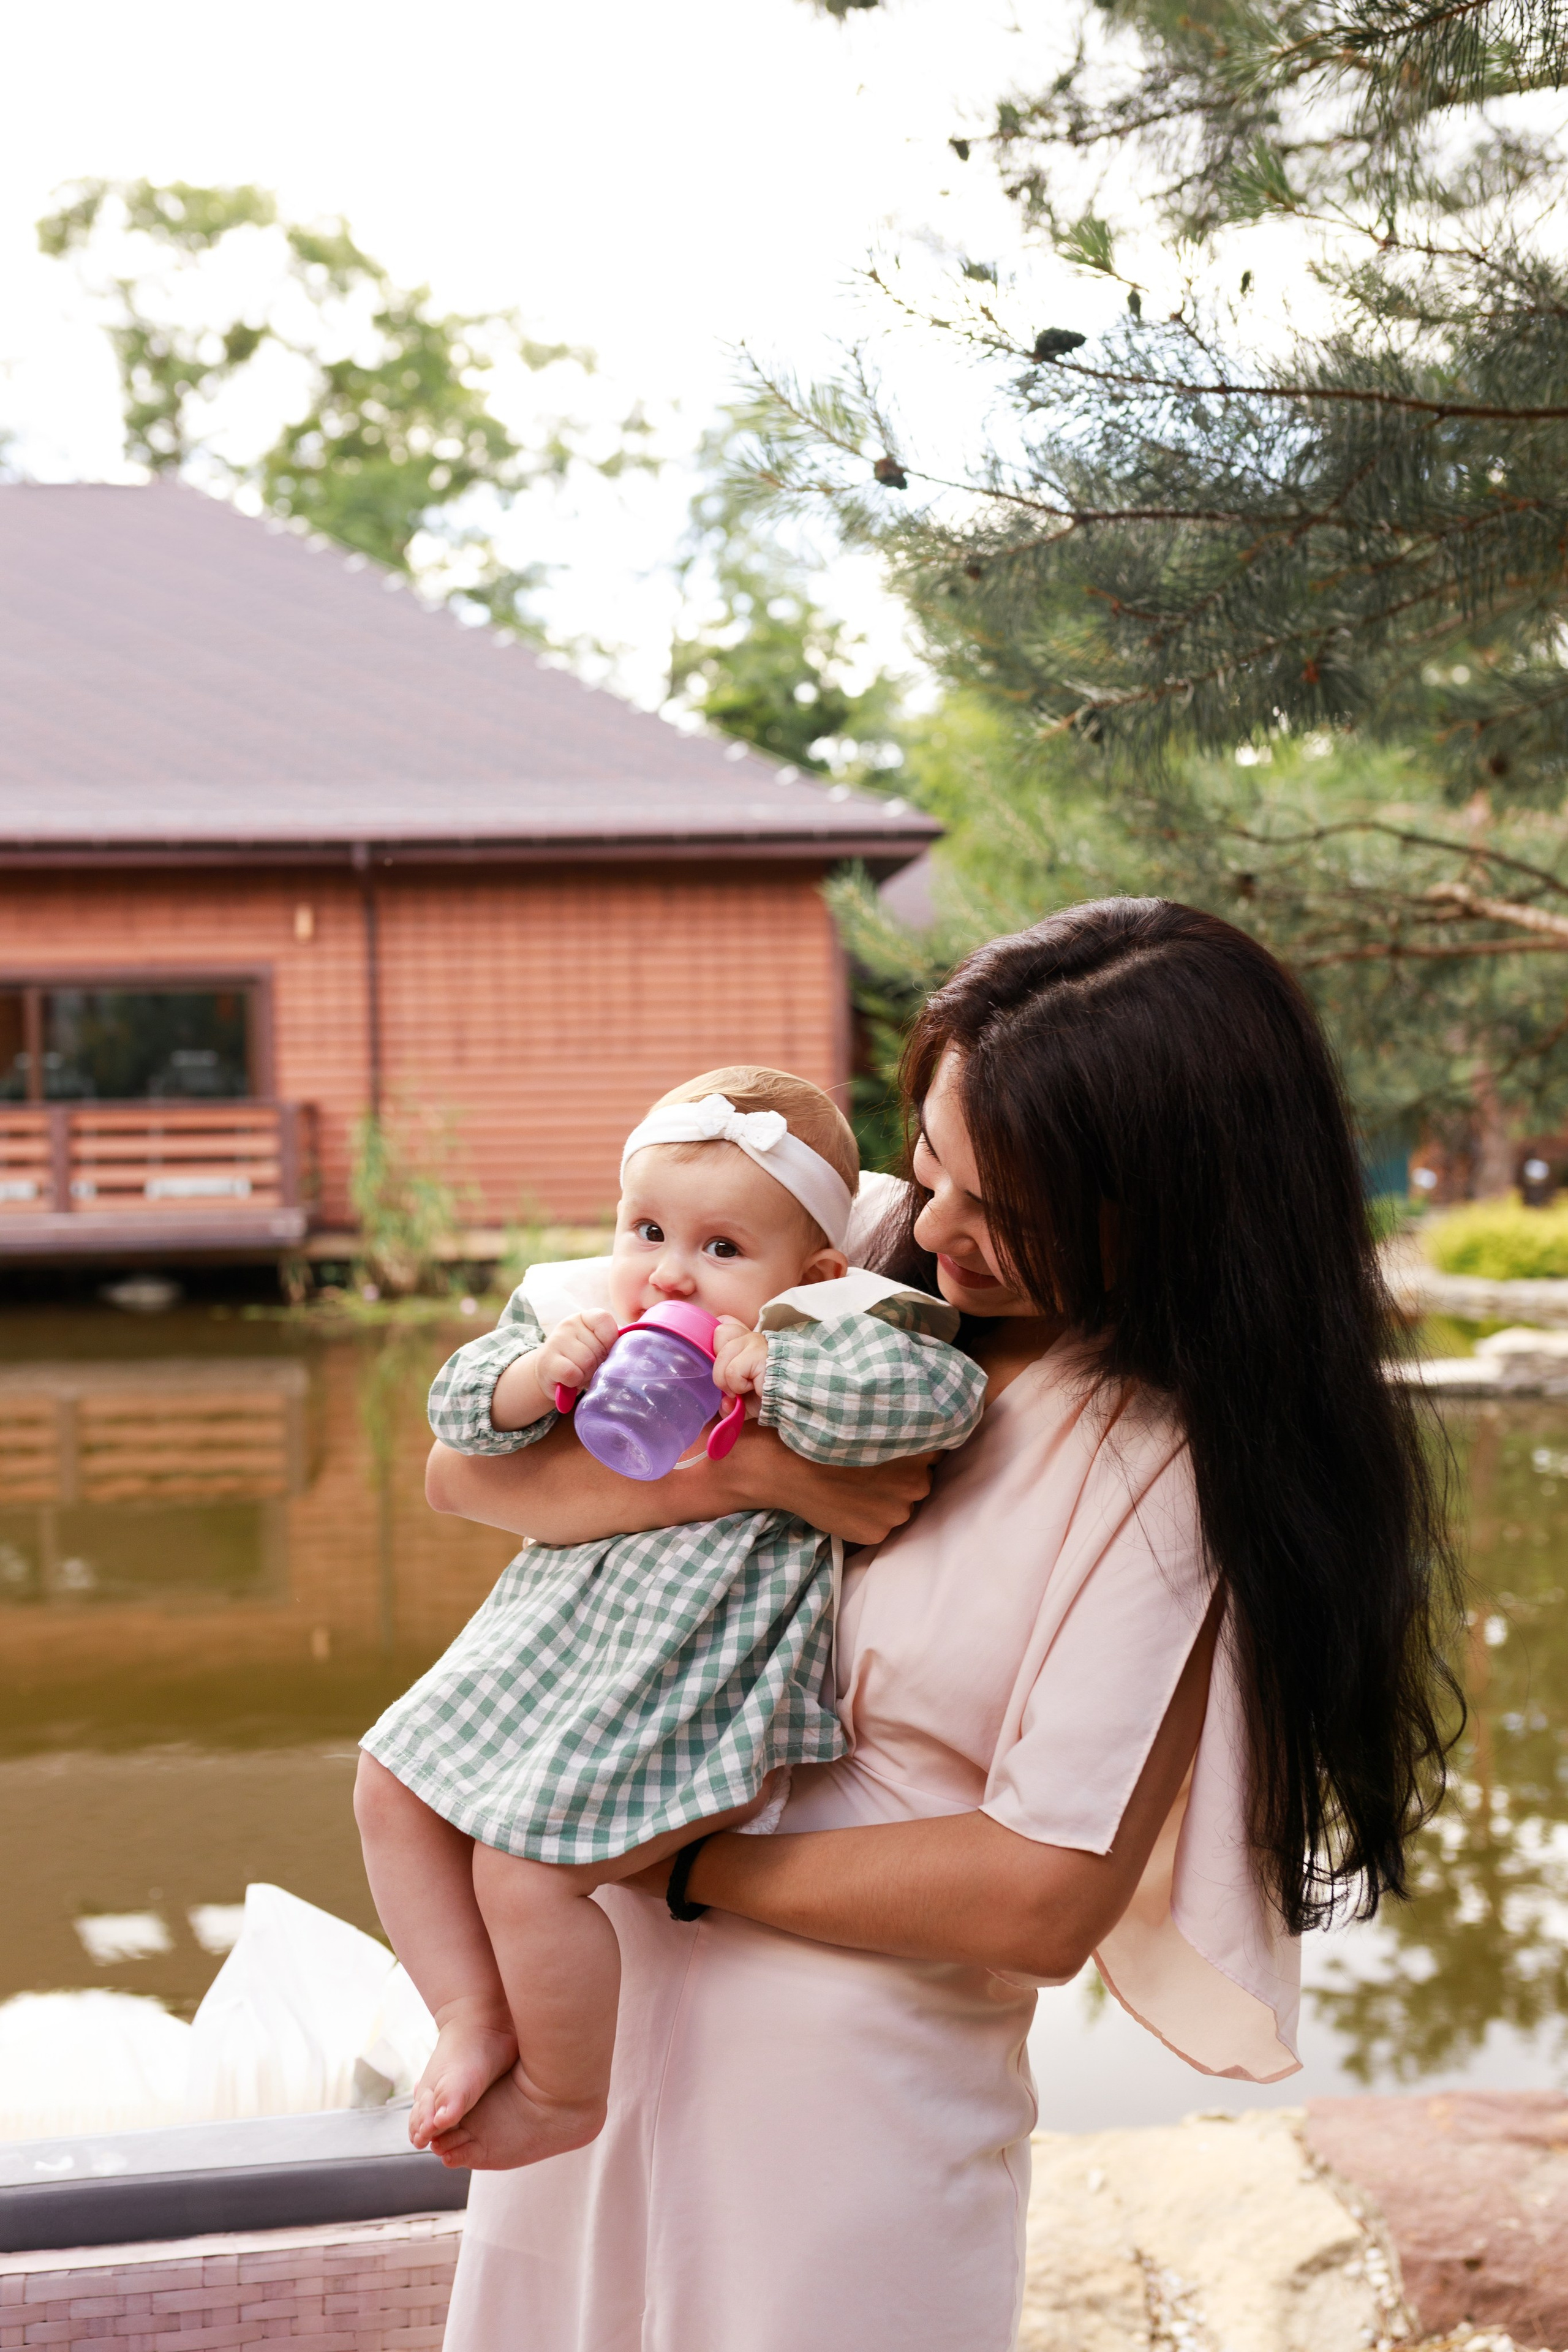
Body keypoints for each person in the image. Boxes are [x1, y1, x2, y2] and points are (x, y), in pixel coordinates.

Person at [419, 902, 1461, 2352]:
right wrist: (753, 1475)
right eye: (928, 1163)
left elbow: (1040, 1895)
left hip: (834, 2109)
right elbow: (466, 1470)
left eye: (1003, 1206)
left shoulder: (1157, 1470)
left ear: (1171, 1204)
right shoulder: (838, 1275)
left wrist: (665, 1861)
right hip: (587, 2031)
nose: (930, 1227)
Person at [355, 1066, 987, 2169]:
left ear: (813, 1271)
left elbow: (936, 1401)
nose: (670, 1273)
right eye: (647, 1231)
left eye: (721, 1249)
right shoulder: (589, 1316)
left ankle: (563, 2092)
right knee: (388, 1783)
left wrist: (771, 1373)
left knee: (521, 1869)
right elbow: (457, 1421)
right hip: (548, 1644)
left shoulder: (833, 1327)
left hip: (691, 1674)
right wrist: (537, 1378)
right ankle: (470, 2011)